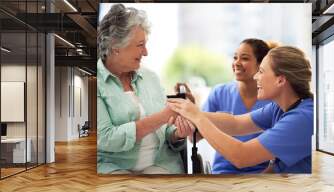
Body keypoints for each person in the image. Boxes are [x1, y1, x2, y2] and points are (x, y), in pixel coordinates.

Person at [169, 46, 313, 173]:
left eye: (261, 71)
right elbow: (236, 123)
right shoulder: (279, 107)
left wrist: (196, 116)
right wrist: (190, 111)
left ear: (280, 80)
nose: (256, 76)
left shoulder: (302, 119)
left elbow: (241, 156)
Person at [97, 4, 193, 174]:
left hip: (161, 164)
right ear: (115, 46)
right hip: (115, 168)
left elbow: (167, 129)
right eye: (140, 45)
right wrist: (163, 116)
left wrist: (177, 133)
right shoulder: (96, 82)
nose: (146, 52)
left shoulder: (151, 78)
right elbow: (105, 138)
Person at [202, 39, 279, 174]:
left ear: (261, 64)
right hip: (223, 172)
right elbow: (193, 137)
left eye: (244, 58)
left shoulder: (274, 100)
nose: (236, 63)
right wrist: (191, 111)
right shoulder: (219, 93)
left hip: (263, 174)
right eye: (235, 57)